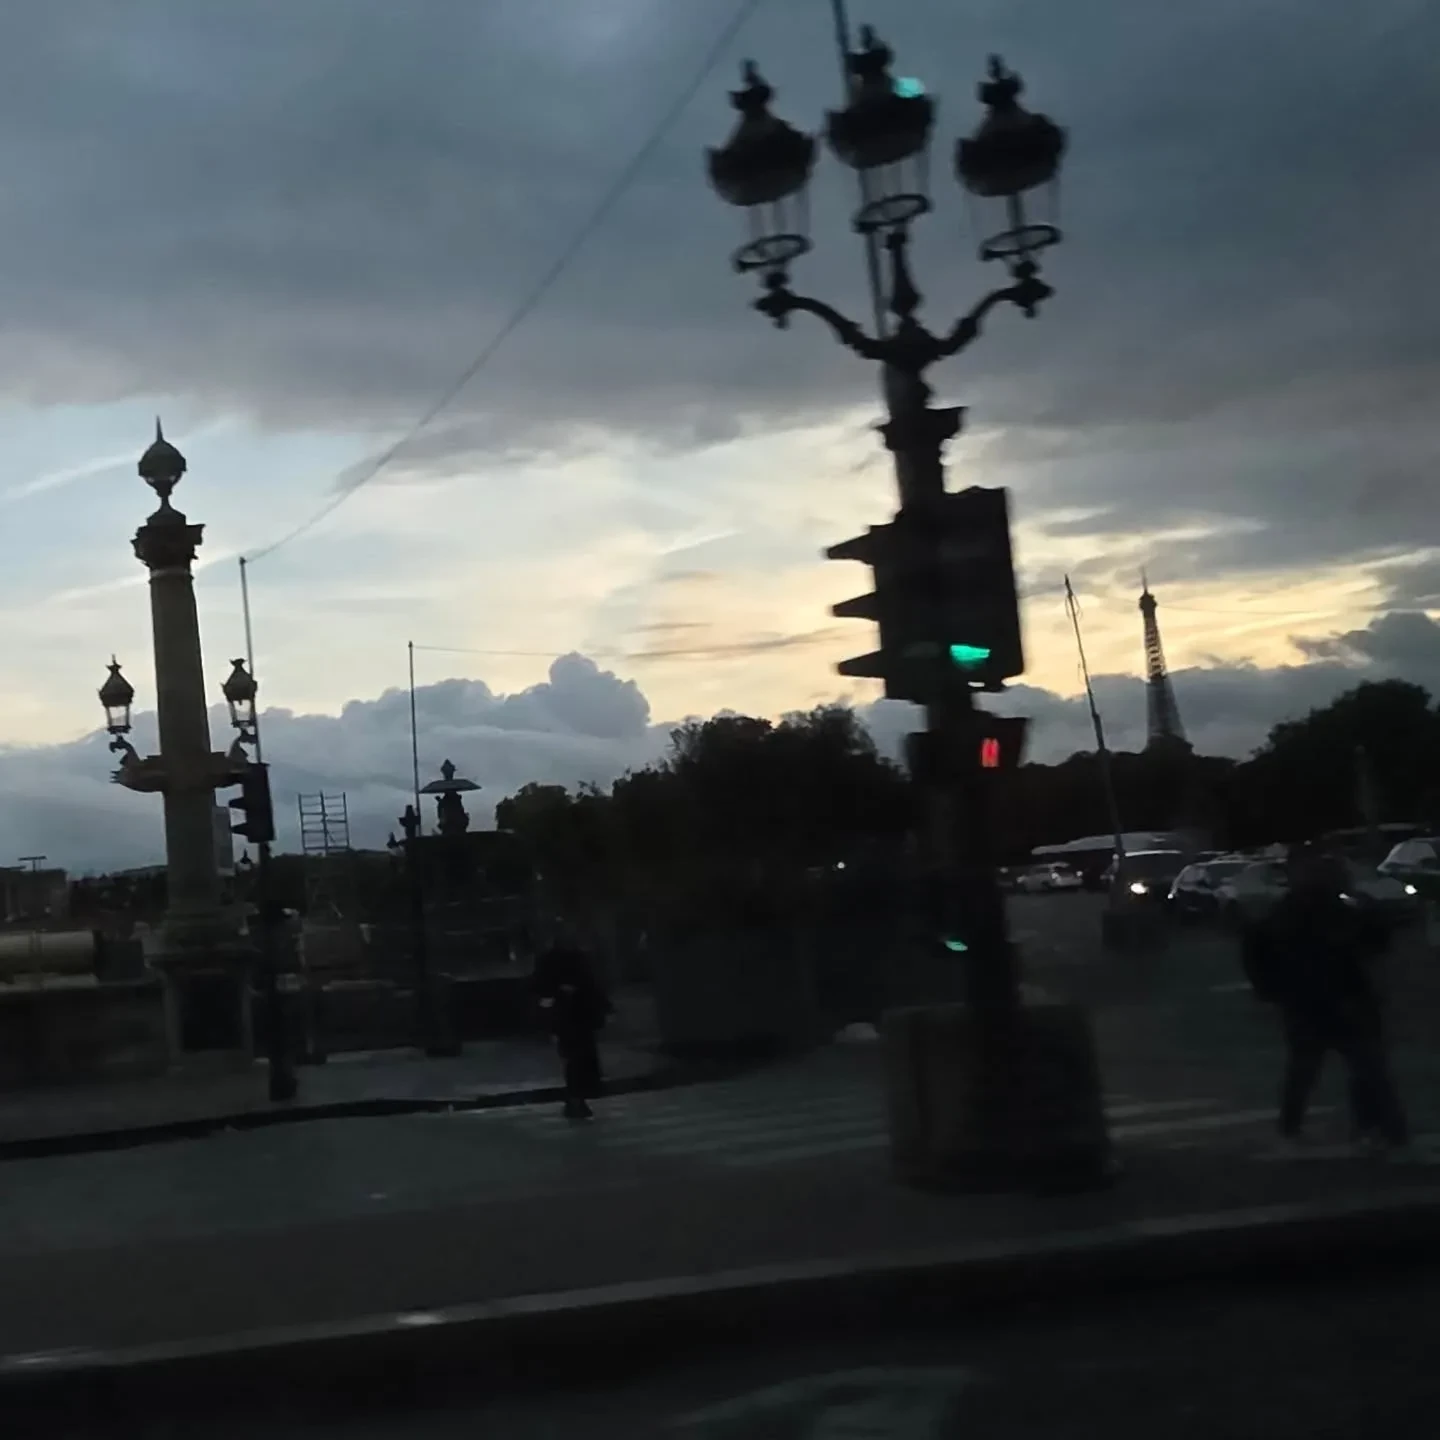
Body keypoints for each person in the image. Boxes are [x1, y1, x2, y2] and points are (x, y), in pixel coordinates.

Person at [1243, 843, 1416, 1161]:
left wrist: (1270, 990)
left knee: (1357, 1069)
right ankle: (1378, 1131)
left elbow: (1374, 940)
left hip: (1335, 999)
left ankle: (1377, 1130)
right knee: (1344, 1069)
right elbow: (1259, 951)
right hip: (1323, 1000)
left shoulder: (1320, 909)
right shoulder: (1297, 913)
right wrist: (1271, 989)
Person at [534, 925, 612, 1120]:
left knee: (577, 1058)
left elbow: (590, 984)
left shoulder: (568, 958)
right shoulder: (565, 959)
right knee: (576, 1058)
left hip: (576, 1015)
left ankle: (577, 1098)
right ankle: (577, 1098)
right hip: (571, 1016)